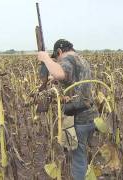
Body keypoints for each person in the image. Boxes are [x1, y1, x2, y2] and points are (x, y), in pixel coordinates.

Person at [37, 39, 98, 180]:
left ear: (59, 52)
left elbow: (60, 72)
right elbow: (71, 79)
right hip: (91, 116)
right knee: (82, 153)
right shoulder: (81, 59)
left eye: (56, 58)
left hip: (78, 119)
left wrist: (45, 58)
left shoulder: (67, 59)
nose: (57, 60)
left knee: (78, 158)